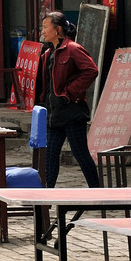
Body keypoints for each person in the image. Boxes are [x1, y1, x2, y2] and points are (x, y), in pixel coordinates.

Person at [37, 10, 101, 188]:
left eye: (45, 27)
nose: (42, 31)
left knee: (80, 154)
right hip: (55, 113)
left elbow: (91, 70)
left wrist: (69, 93)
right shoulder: (47, 54)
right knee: (50, 155)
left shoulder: (72, 48)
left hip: (72, 111)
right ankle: (46, 198)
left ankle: (99, 193)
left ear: (57, 29)